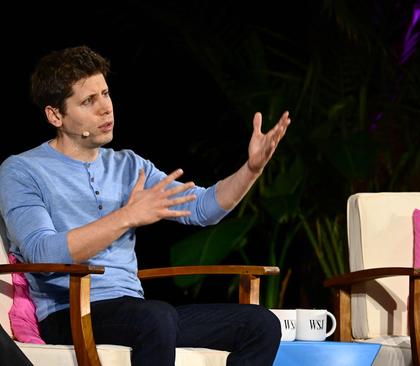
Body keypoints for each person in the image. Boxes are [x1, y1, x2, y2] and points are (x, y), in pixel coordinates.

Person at [0, 45, 290, 366]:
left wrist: (250, 170)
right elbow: (43, 252)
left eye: (105, 94)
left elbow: (203, 208)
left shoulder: (128, 166)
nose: (105, 109)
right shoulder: (22, 170)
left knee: (260, 324)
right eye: (88, 101)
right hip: (68, 314)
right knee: (155, 317)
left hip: (134, 313)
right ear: (55, 114)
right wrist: (126, 217)